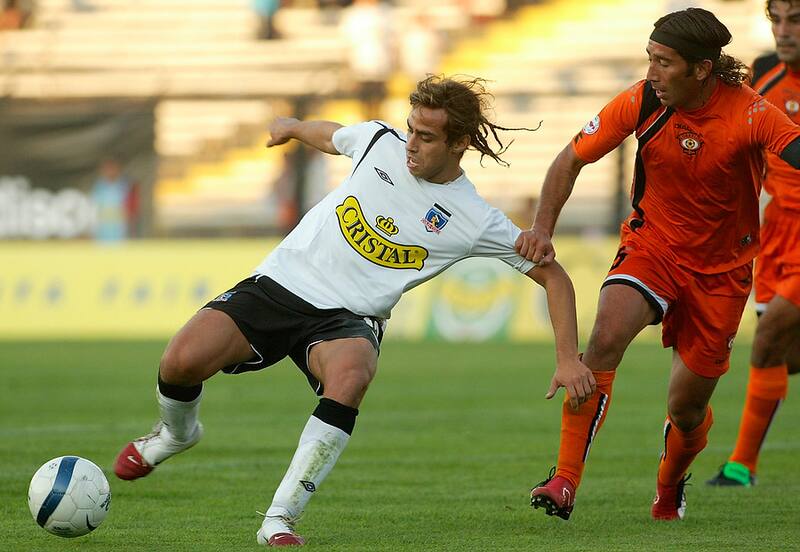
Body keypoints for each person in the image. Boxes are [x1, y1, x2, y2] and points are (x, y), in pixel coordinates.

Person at [112, 75, 596, 546]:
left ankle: (279, 519)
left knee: (353, 372)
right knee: (179, 360)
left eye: (426, 137)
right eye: (410, 129)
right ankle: (176, 435)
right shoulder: (379, 143)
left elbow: (554, 276)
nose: (410, 143)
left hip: (347, 317)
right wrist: (294, 125)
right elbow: (333, 136)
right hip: (281, 284)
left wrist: (568, 357)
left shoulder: (472, 218)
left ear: (459, 144)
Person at [515, 7, 800, 521]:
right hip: (653, 249)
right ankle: (563, 480)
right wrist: (541, 228)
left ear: (701, 69)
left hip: (722, 275)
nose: (651, 73)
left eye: (664, 63)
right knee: (602, 341)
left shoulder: (750, 112)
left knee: (686, 410)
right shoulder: (645, 99)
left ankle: (669, 489)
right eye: (650, 59)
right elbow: (571, 158)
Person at [707, 0, 800, 488]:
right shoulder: (762, 75)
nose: (784, 31)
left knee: (766, 344)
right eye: (776, 20)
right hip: (777, 234)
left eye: (796, 20)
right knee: (786, 356)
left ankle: (741, 467)